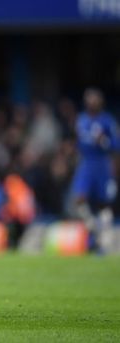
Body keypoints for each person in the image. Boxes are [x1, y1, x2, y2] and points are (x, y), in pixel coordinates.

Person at [71, 88, 119, 252]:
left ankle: (101, 243)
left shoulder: (107, 121)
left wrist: (104, 141)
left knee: (103, 205)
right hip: (86, 164)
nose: (91, 102)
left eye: (94, 99)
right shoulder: (81, 120)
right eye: (89, 99)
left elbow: (116, 145)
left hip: (102, 164)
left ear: (100, 102)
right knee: (79, 200)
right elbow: (79, 142)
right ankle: (95, 230)